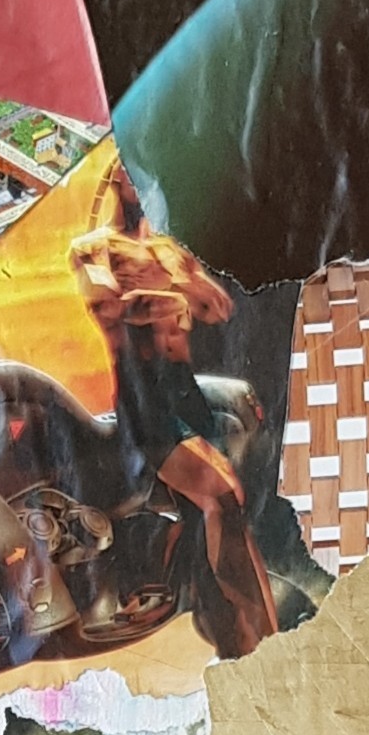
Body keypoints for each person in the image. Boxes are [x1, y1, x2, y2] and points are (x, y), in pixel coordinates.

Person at [68, 166, 278, 658]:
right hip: (146, 399)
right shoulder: (93, 247)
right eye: (127, 172)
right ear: (115, 180)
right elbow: (109, 306)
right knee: (222, 495)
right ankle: (265, 637)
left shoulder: (170, 250)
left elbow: (216, 308)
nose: (137, 179)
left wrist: (179, 283)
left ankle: (240, 639)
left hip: (186, 394)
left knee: (212, 518)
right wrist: (168, 296)